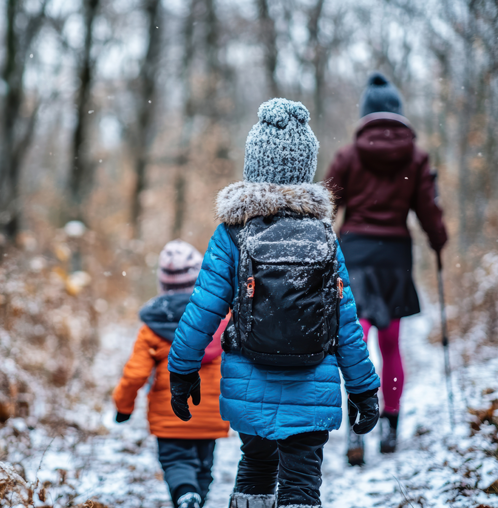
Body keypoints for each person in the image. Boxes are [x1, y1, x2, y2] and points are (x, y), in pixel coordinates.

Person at [166, 98, 381, 508]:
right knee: (301, 481)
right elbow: (346, 321)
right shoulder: (323, 234)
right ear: (306, 168)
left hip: (249, 381)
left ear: (253, 165)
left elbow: (203, 310)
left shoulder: (232, 232)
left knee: (258, 461)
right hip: (312, 383)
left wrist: (182, 369)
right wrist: (363, 388)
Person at [325, 72, 448, 465]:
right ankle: (391, 429)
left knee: (354, 344)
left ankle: (356, 433)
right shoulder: (416, 157)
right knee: (391, 344)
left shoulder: (348, 156)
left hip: (355, 256)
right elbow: (428, 212)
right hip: (395, 257)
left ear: (365, 114)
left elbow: (326, 207)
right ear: (398, 112)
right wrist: (438, 239)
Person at [112, 239, 230, 508]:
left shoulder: (153, 327)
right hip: (211, 412)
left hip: (170, 414)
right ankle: (195, 496)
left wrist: (123, 406)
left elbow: (135, 374)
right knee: (203, 465)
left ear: (162, 284)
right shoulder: (222, 319)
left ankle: (186, 496)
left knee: (177, 462)